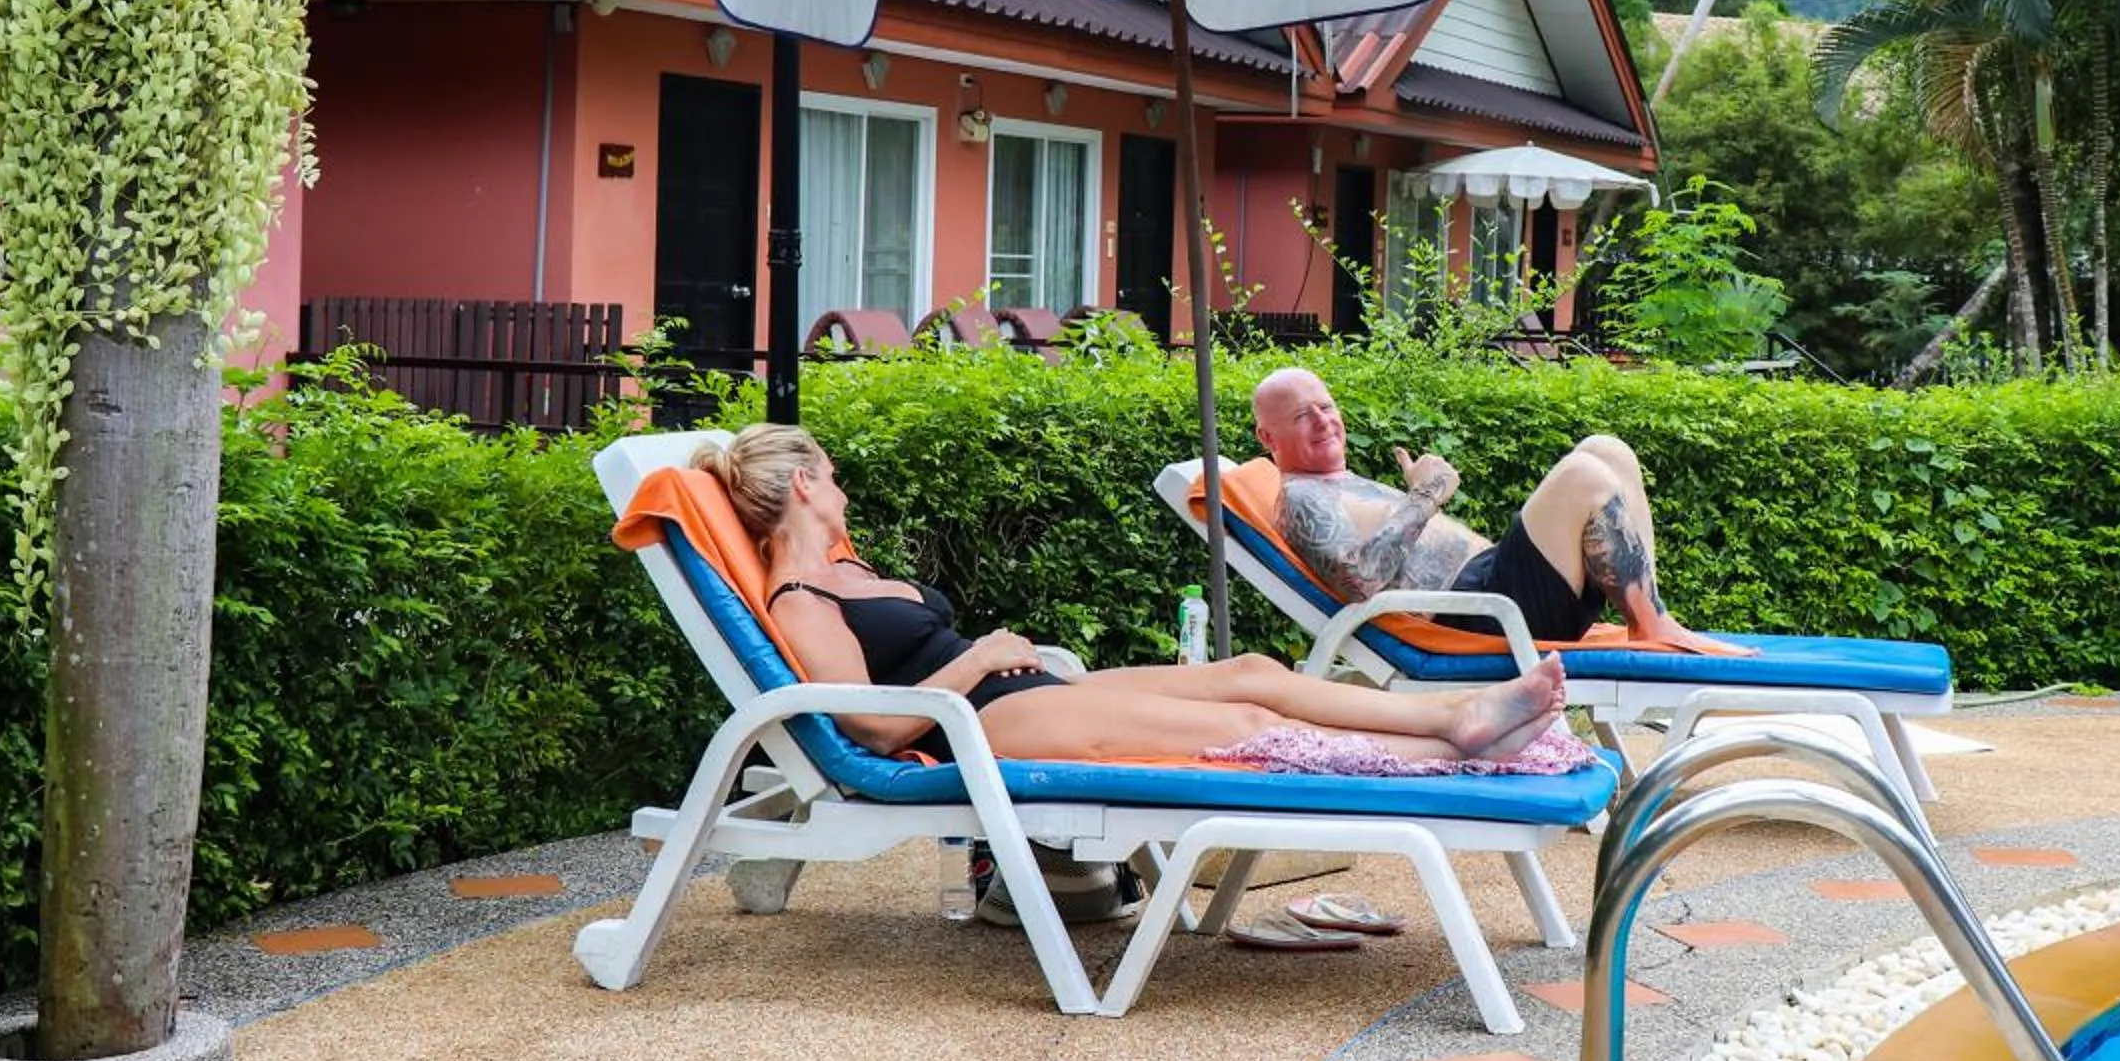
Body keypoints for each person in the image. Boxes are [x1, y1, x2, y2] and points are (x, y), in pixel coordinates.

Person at [691, 424, 1565, 765]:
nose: (842, 486)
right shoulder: (801, 597)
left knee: (1253, 669)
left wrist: (995, 658)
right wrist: (986, 654)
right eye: (832, 475)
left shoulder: (847, 567)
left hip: (1020, 692)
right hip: (984, 725)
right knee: (1242, 734)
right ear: (803, 484)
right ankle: (1461, 754)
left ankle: (1454, 713)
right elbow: (875, 726)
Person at [1250, 366, 1746, 655]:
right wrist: (1425, 496)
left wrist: (1416, 497)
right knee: (1582, 474)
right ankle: (1653, 625)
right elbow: (1356, 581)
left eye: (1327, 406)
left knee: (1608, 450)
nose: (1324, 421)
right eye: (1301, 415)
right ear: (1267, 437)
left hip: (1499, 593)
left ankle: (1649, 616)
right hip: (1479, 614)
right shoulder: (1299, 498)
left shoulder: (1341, 480)